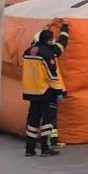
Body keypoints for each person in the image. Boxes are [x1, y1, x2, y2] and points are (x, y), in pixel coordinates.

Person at [22, 20, 69, 156]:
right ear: (50, 40)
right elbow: (51, 75)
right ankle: (45, 148)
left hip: (31, 91)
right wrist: (58, 91)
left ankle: (29, 149)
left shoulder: (28, 51)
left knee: (32, 120)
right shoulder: (48, 53)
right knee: (47, 121)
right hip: (45, 92)